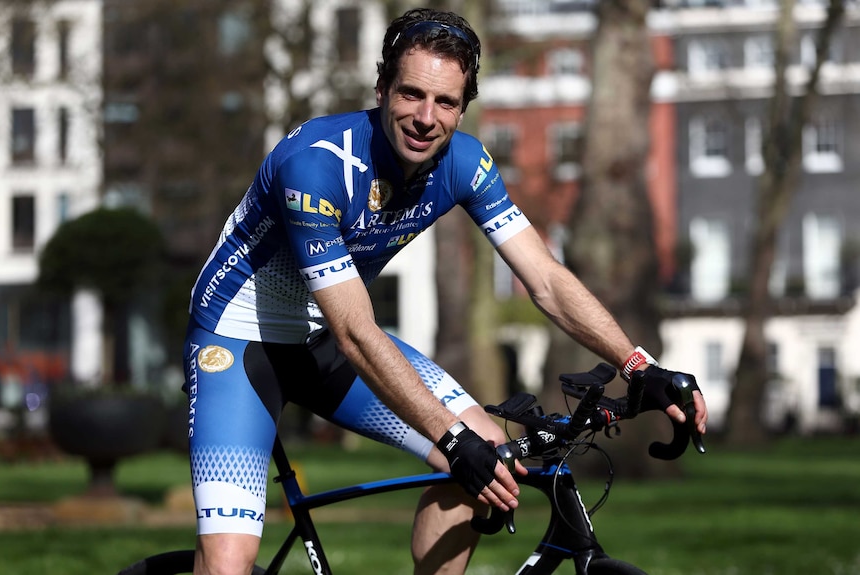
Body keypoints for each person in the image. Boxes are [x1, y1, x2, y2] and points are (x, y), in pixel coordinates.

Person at [183, 7, 708, 575]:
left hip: (325, 340)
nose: (425, 118)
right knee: (229, 561)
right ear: (382, 88)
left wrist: (638, 365)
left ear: (464, 106)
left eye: (447, 102)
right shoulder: (315, 167)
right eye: (411, 94)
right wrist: (451, 440)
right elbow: (358, 332)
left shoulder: (465, 163)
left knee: (491, 457)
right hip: (239, 341)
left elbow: (547, 280)